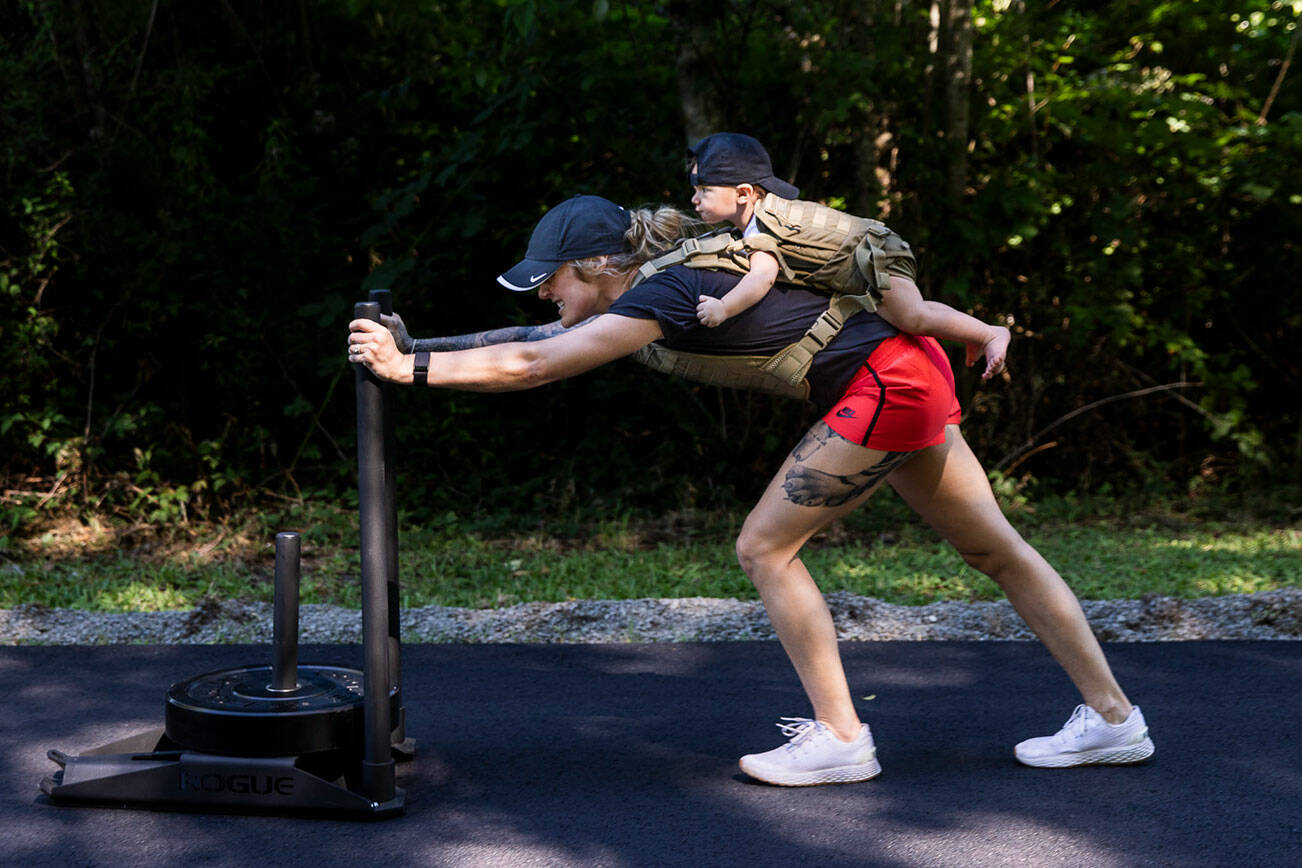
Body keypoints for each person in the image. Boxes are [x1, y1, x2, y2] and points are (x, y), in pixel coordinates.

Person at [348, 194, 1154, 786]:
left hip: (884, 384)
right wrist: (421, 346)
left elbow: (537, 364)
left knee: (764, 548)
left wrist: (406, 369)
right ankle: (1116, 721)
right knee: (995, 550)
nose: (546, 295)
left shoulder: (660, 292)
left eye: (552, 280)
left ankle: (842, 738)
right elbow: (537, 337)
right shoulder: (643, 287)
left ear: (598, 265)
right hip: (903, 370)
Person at [686, 133, 1009, 382]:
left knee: (912, 317)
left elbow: (762, 276)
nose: (694, 199)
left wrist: (723, 308)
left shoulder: (764, 225)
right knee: (916, 311)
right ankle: (973, 332)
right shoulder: (764, 215)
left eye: (704, 190)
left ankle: (990, 333)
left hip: (876, 259)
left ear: (743, 193)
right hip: (875, 253)